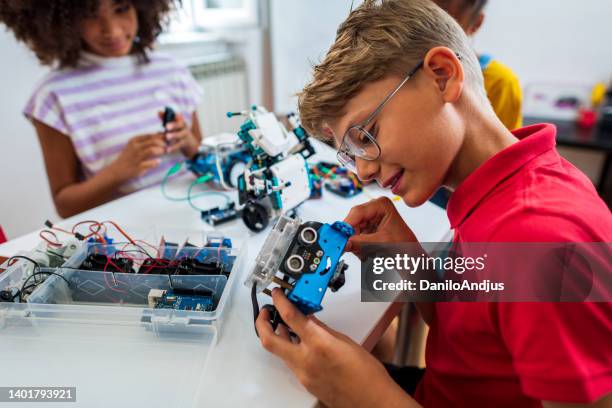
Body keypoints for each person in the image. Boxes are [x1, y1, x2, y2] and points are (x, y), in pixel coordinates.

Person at [255, 1, 612, 407]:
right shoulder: (499, 192)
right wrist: (410, 264)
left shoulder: (540, 240)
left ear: (442, 76)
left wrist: (371, 398)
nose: (364, 174)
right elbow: (475, 334)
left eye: (366, 134)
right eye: (351, 155)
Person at [0, 0, 203, 217]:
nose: (112, 30)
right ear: (65, 20)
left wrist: (188, 143)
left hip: (193, 214)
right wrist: (118, 172)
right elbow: (65, 206)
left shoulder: (172, 70)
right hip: (125, 235)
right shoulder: (53, 95)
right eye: (90, 14)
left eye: (121, 9)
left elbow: (203, 160)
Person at [434, 0, 523, 131]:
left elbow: (508, 148)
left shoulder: (501, 83)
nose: (431, 33)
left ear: (476, 24)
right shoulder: (403, 69)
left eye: (448, 26)